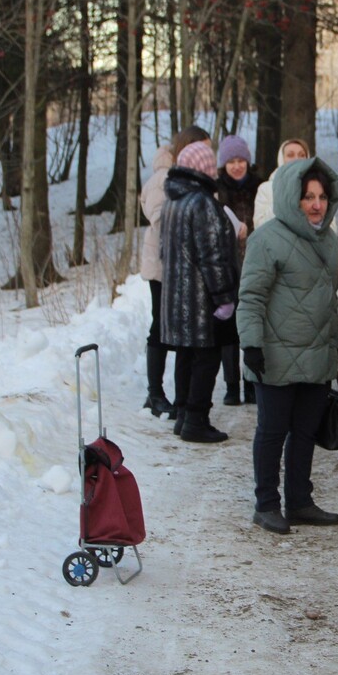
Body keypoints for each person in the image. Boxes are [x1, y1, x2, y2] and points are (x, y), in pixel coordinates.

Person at [238, 158, 338, 535]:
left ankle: (299, 501)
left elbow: (329, 300)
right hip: (275, 354)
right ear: (290, 198)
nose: (316, 204)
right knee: (272, 430)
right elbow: (251, 297)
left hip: (316, 355)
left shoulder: (329, 240)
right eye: (307, 197)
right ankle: (266, 504)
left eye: (321, 197)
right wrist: (251, 344)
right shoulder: (266, 239)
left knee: (305, 432)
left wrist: (334, 344)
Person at [159, 141, 241, 444]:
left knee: (185, 356)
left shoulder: (172, 202)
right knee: (206, 359)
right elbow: (213, 256)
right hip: (201, 302)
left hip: (177, 299)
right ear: (205, 168)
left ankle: (183, 415)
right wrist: (224, 296)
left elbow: (164, 251)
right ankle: (196, 419)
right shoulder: (202, 203)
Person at [138, 125, 210, 419]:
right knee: (161, 326)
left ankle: (180, 396)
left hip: (181, 265)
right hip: (163, 266)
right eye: (204, 147)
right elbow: (160, 220)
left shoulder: (186, 177)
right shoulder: (163, 178)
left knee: (180, 330)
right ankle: (154, 393)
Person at [213, 134, 264, 407]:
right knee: (229, 331)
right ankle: (232, 385)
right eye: (231, 161)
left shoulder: (259, 187)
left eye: (240, 160)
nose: (236, 166)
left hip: (255, 263)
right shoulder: (217, 190)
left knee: (252, 326)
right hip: (228, 265)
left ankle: (252, 382)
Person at [252, 138, 311, 229]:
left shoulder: (317, 187)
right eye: (290, 155)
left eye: (302, 155)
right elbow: (259, 226)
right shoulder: (266, 189)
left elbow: (330, 226)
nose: (296, 159)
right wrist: (285, 197)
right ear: (281, 159)